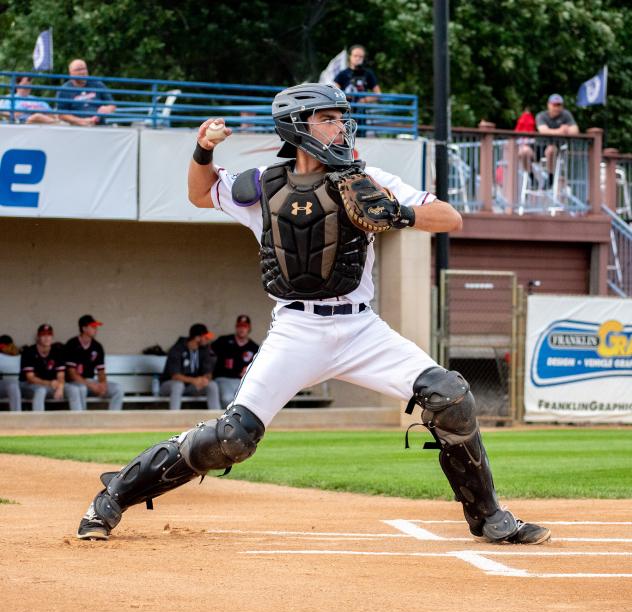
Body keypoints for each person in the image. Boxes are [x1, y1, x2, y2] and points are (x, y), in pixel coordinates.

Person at [77, 83, 550, 547]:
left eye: (341, 117)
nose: (341, 126)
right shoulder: (263, 184)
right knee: (233, 438)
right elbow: (200, 195)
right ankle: (113, 495)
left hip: (361, 328)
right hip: (297, 329)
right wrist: (202, 151)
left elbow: (449, 218)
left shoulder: (367, 178)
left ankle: (489, 517)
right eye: (328, 118)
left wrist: (398, 213)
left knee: (450, 395)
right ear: (298, 126)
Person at [65, 314, 124, 410]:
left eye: (96, 326)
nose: (96, 329)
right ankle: (82, 422)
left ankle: (113, 421)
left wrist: (103, 384)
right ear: (84, 328)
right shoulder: (72, 344)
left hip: (91, 382)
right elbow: (72, 374)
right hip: (76, 383)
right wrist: (91, 386)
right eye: (92, 326)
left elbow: (101, 371)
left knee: (118, 389)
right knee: (81, 389)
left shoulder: (97, 346)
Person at [19, 324, 83, 411]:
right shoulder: (29, 352)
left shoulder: (57, 351)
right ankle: (38, 422)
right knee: (41, 391)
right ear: (38, 337)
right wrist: (49, 383)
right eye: (43, 335)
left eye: (49, 335)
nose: (47, 338)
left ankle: (78, 420)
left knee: (73, 389)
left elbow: (61, 375)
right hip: (30, 386)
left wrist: (60, 387)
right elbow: (31, 378)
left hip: (51, 385)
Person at [160, 323, 221, 410]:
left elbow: (208, 372)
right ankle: (174, 419)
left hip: (191, 386)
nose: (208, 339)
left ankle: (217, 420)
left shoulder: (204, 349)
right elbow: (175, 376)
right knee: (178, 385)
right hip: (169, 385)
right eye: (205, 337)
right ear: (197, 338)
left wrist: (204, 379)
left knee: (212, 385)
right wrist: (194, 380)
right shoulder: (177, 349)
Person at [211, 315, 259, 408]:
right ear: (236, 327)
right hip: (223, 378)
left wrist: (250, 370)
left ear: (249, 329)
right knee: (227, 398)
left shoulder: (254, 347)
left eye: (245, 327)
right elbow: (208, 354)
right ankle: (226, 421)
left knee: (246, 400)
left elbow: (259, 366)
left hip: (241, 381)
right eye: (240, 326)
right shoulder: (223, 341)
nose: (242, 329)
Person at [535, 94, 579, 187]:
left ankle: (550, 178)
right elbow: (543, 131)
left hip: (558, 148)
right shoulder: (541, 115)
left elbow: (575, 130)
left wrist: (556, 131)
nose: (557, 108)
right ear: (548, 105)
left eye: (559, 105)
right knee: (523, 152)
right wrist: (561, 130)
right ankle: (532, 178)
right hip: (539, 146)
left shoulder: (566, 114)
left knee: (550, 150)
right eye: (554, 105)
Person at [56, 59, 116, 126]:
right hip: (77, 129)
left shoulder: (98, 84)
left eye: (84, 69)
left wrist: (107, 109)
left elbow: (112, 105)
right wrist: (81, 121)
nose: (82, 72)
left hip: (100, 126)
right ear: (70, 73)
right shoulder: (64, 90)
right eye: (78, 70)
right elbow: (62, 115)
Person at [0, 335, 21, 411]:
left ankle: (17, 416)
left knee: (13, 386)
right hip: (1, 385)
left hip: (13, 385)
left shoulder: (19, 355)